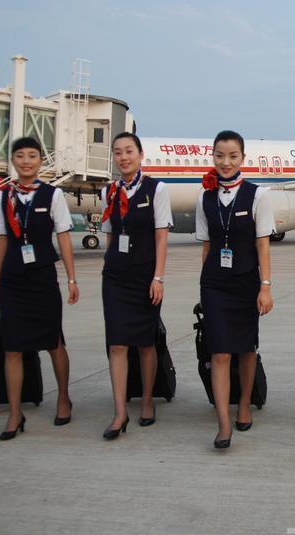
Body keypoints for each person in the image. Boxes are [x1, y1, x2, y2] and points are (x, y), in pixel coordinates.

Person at [0, 136, 78, 440]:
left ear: (41, 161)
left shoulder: (52, 195)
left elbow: (64, 237)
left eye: (32, 156)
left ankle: (64, 398)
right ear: (13, 161)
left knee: (53, 342)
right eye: (20, 156)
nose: (26, 161)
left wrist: (71, 278)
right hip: (14, 279)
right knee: (12, 348)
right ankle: (15, 413)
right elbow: (2, 240)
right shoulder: (3, 197)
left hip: (42, 278)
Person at [196, 130, 275, 449]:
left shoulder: (257, 196)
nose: (225, 162)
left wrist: (265, 287)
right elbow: (205, 246)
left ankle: (244, 403)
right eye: (219, 156)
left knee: (246, 348)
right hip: (215, 283)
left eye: (232, 156)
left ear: (243, 158)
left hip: (246, 281)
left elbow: (263, 246)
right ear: (212, 157)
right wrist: (202, 285)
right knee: (219, 351)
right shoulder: (204, 197)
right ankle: (223, 423)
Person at [100, 132, 172, 440]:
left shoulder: (156, 189)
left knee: (145, 342)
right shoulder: (109, 192)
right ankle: (119, 413)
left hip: (145, 275)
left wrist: (158, 277)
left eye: (129, 151)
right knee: (116, 343)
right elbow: (109, 234)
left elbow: (161, 237)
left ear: (140, 154)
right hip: (116, 277)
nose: (123, 157)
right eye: (118, 152)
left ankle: (145, 401)